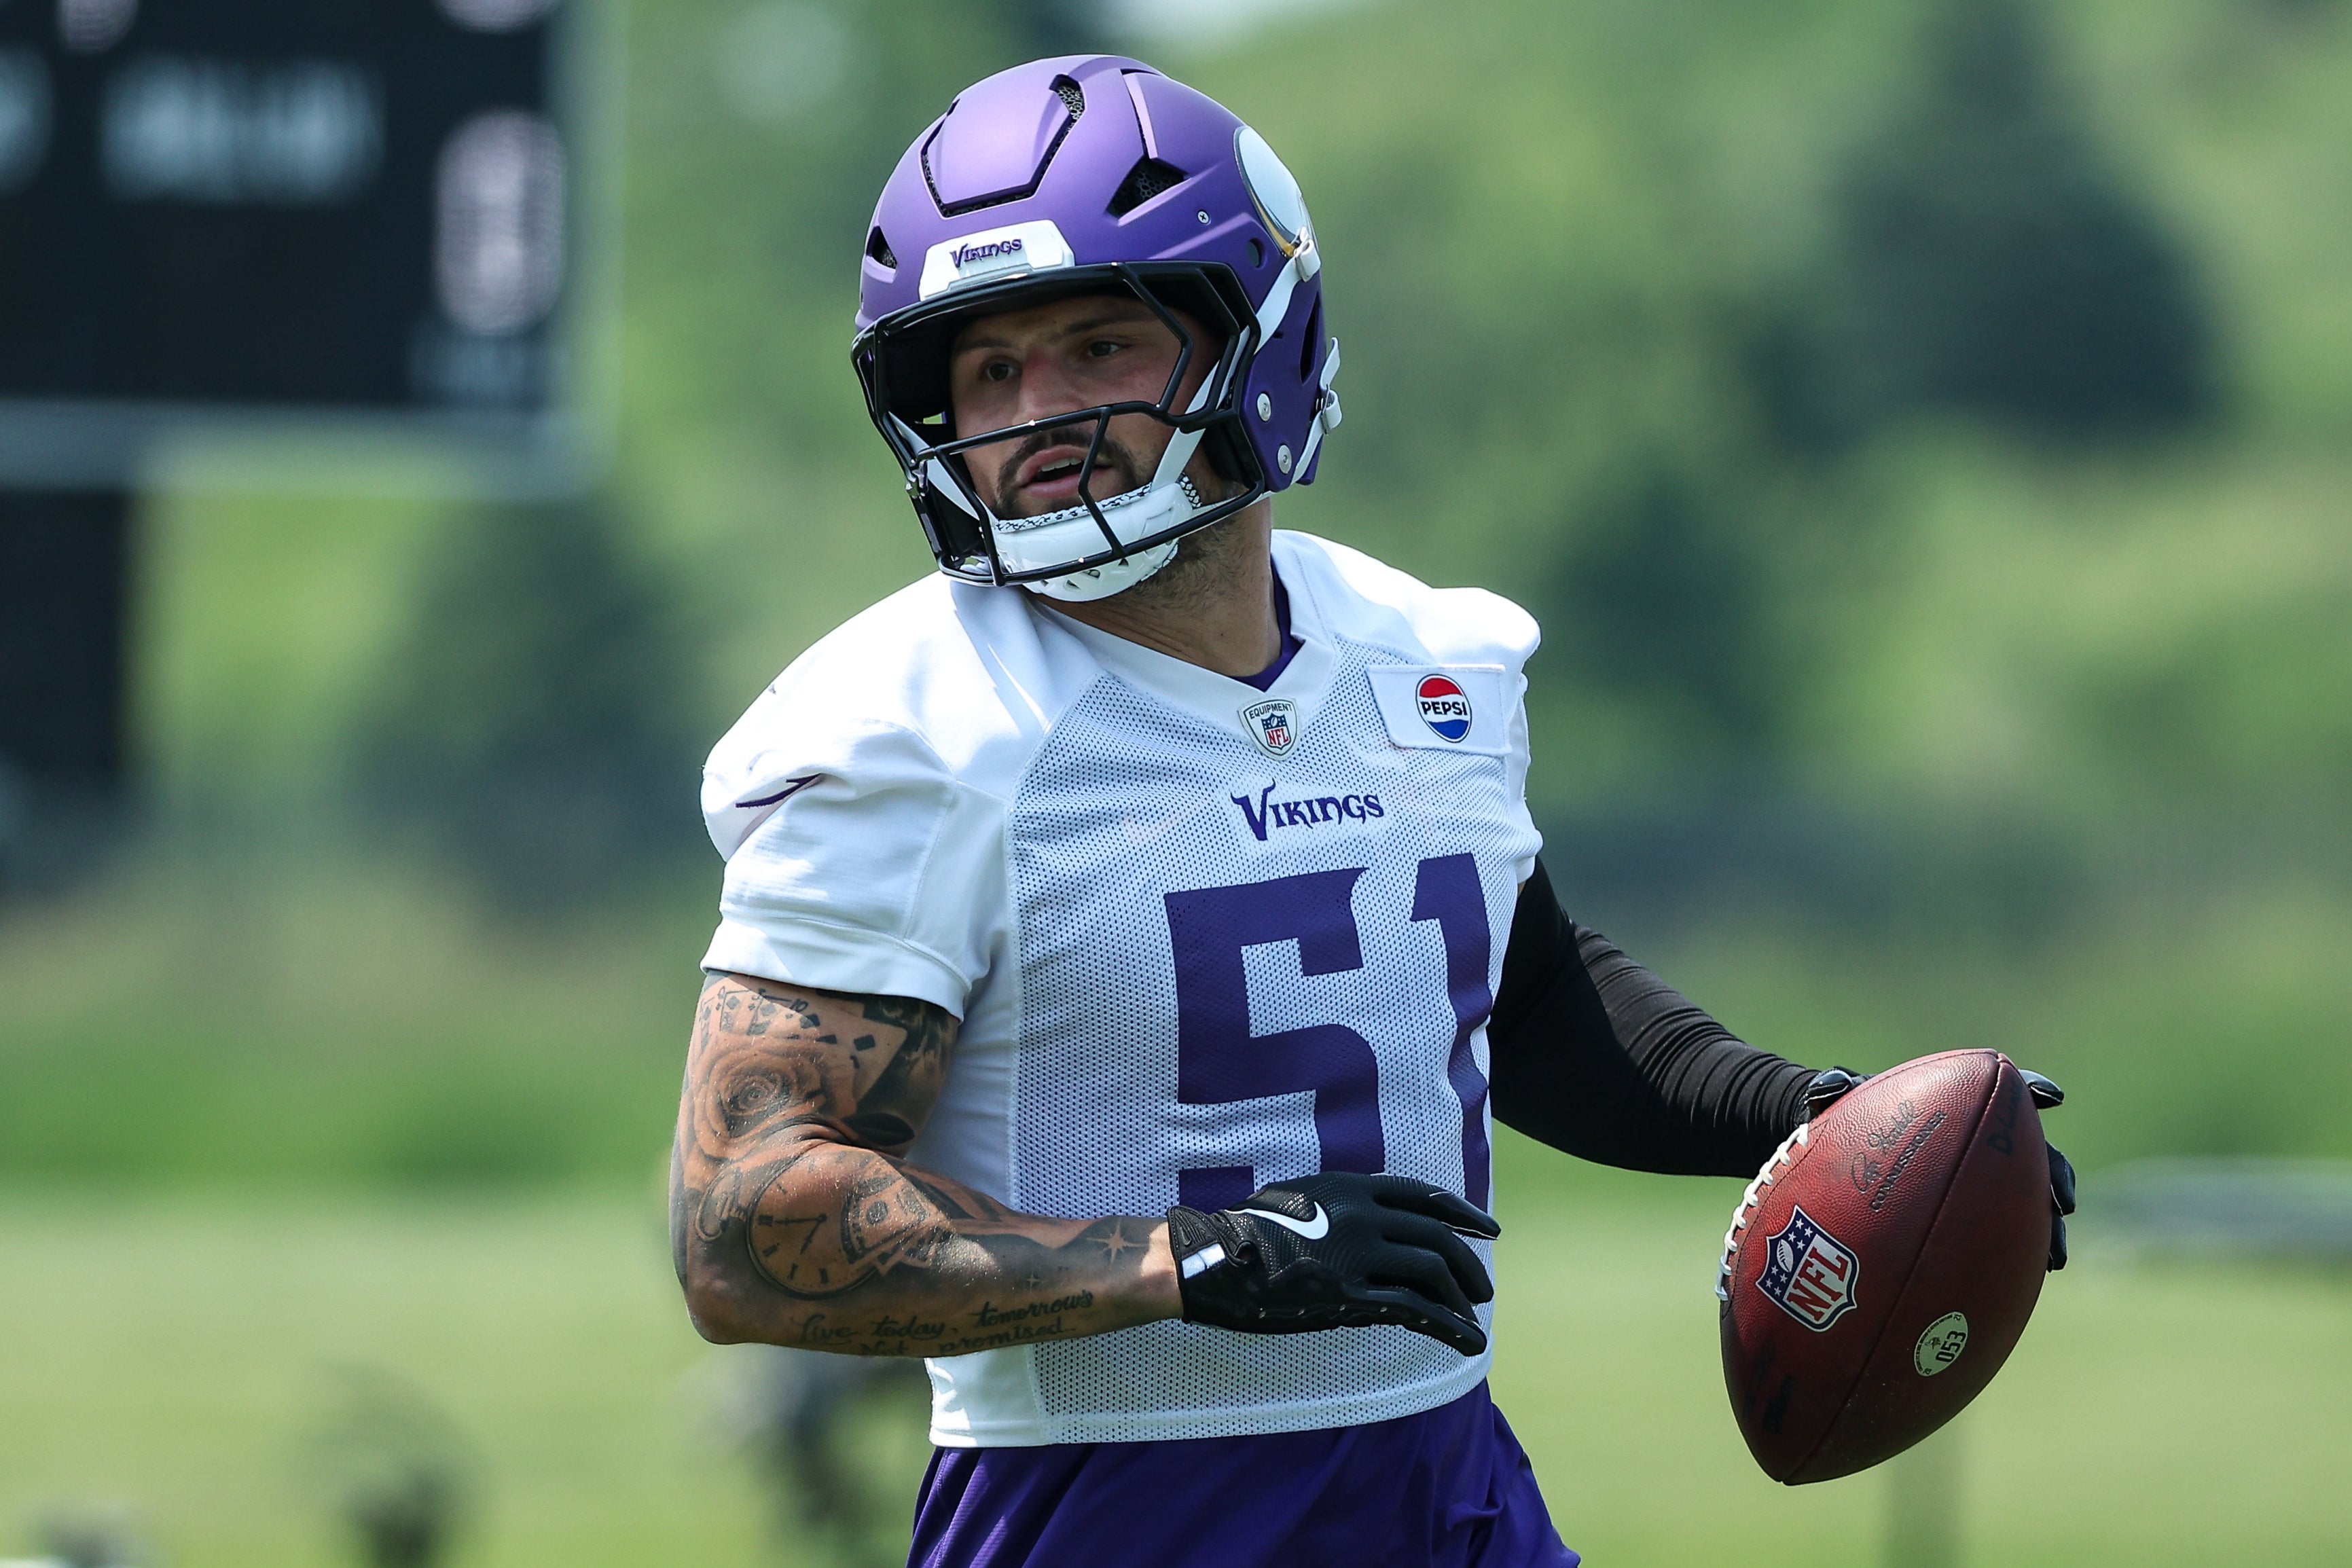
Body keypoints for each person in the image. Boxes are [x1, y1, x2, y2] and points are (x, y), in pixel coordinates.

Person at [668, 54, 2074, 1567]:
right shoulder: (909, 729)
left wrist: (1811, 1121)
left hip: (1448, 1484)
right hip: (1107, 1512)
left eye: (1094, 346)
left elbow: (1512, 998)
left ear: (1248, 335)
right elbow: (743, 1223)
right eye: (988, 373)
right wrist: (1186, 1262)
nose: (1038, 416)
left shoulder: (1425, 656)